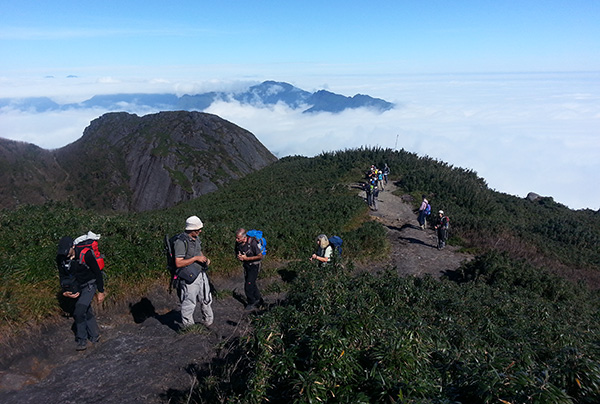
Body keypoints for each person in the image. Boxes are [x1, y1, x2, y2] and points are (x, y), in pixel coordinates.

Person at [59, 234, 106, 351]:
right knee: (86, 309)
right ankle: (95, 336)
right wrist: (65, 291)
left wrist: (101, 291)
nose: (65, 254)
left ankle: (81, 340)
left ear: (73, 246)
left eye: (67, 251)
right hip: (76, 286)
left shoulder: (86, 254)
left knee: (79, 311)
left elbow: (97, 273)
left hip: (89, 284)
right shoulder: (61, 258)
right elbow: (62, 275)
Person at [174, 215, 213, 329]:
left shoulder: (196, 239)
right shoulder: (180, 242)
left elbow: (198, 251)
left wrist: (204, 258)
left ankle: (208, 322)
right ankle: (189, 328)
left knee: (206, 298)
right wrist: (196, 259)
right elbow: (178, 263)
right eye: (198, 229)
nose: (200, 231)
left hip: (200, 272)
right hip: (189, 276)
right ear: (191, 230)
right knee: (189, 301)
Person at [235, 228, 264, 311]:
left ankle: (251, 302)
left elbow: (260, 256)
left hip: (254, 266)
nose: (236, 240)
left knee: (248, 285)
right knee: (252, 283)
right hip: (246, 266)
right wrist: (239, 257)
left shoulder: (253, 243)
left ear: (244, 238)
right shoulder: (238, 243)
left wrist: (246, 258)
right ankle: (259, 300)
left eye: (238, 238)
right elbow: (237, 252)